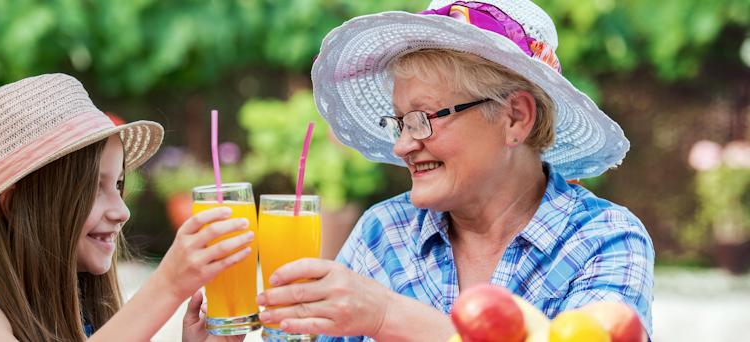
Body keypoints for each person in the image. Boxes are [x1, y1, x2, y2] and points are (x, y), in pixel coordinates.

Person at [255, 0, 655, 341]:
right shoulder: (383, 233)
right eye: (399, 122)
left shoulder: (604, 240)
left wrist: (387, 315)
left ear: (515, 117)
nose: (402, 145)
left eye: (422, 118)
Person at [0, 73, 251, 342]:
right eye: (92, 188)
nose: (122, 212)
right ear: (13, 205)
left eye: (118, 185)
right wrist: (168, 285)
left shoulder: (90, 312)